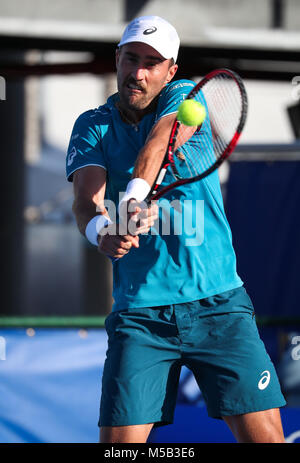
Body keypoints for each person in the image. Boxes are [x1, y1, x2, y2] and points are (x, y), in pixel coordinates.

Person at [66, 15, 286, 443]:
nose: (139, 72)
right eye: (132, 59)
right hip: (140, 316)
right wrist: (103, 232)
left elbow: (161, 140)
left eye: (152, 63)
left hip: (219, 305)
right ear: (118, 59)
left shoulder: (187, 98)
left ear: (171, 71)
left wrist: (132, 198)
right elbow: (84, 204)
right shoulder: (92, 124)